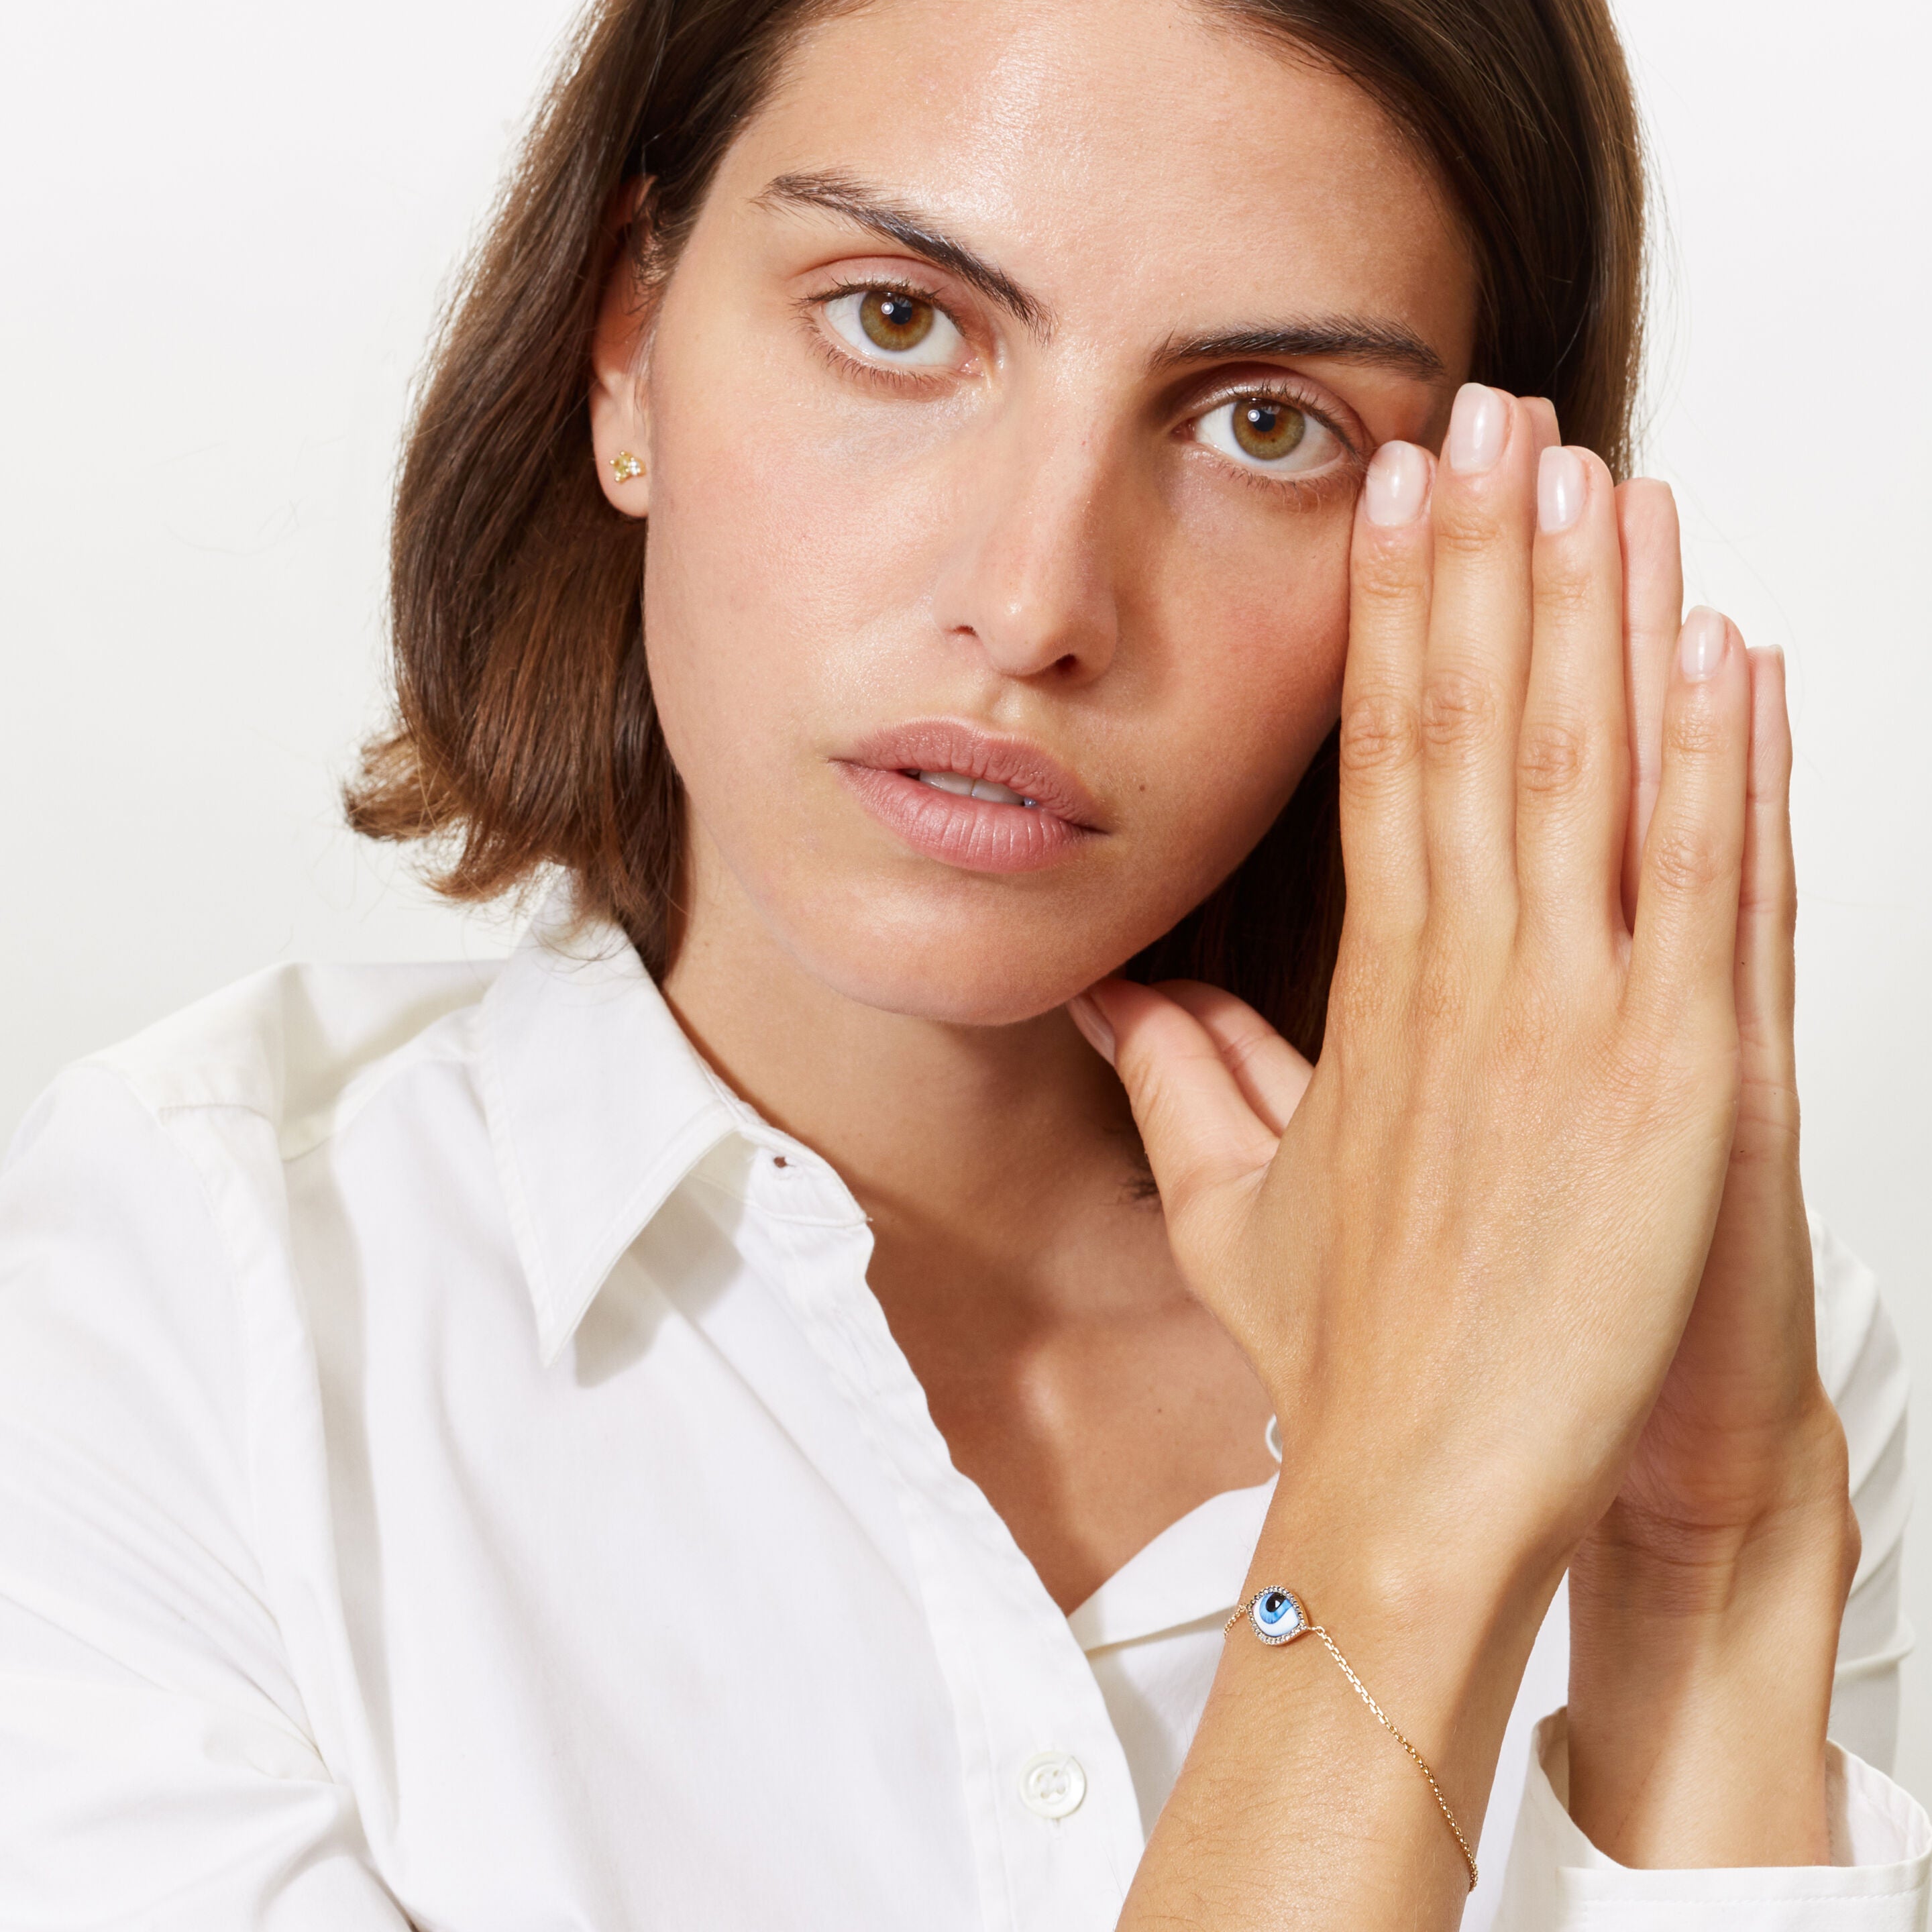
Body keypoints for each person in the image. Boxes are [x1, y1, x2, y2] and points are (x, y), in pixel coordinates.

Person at [0, 0, 1923, 1925]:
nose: (1036, 602)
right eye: (898, 318)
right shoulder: (175, 1308)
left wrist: (1714, 1563)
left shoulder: (1718, 1379)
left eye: (1268, 424)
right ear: (625, 349)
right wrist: (1393, 1538)